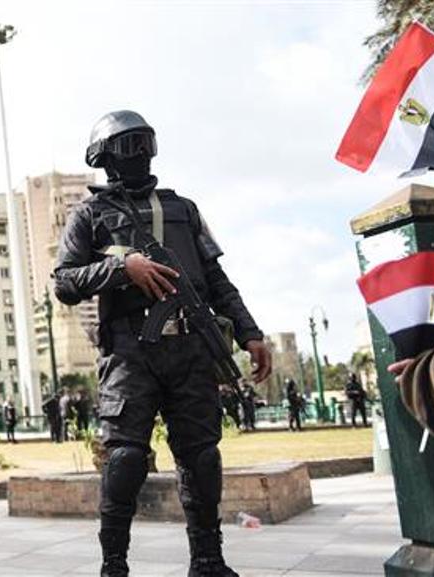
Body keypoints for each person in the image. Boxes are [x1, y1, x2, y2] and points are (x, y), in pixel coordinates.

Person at [54, 110, 272, 577]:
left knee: (201, 455)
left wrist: (251, 333)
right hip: (129, 352)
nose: (135, 155)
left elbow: (215, 279)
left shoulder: (183, 208)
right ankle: (114, 564)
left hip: (191, 350)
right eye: (124, 146)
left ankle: (209, 560)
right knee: (127, 457)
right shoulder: (91, 213)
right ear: (103, 156)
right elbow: (64, 282)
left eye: (141, 144)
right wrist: (121, 268)